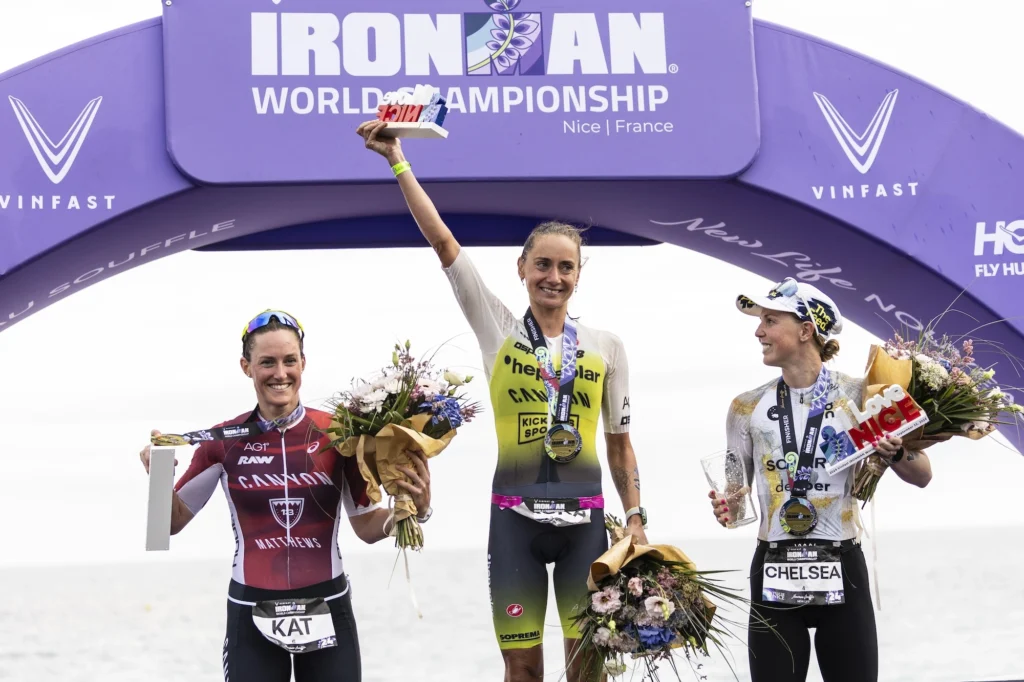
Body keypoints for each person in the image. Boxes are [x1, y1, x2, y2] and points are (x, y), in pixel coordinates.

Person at [356, 119, 647, 682]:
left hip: (584, 524)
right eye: (543, 264)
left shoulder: (607, 348)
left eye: (566, 267)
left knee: (589, 668)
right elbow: (444, 244)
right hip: (512, 522)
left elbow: (620, 447)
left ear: (579, 276)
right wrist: (397, 161)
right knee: (521, 669)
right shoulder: (500, 331)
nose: (553, 277)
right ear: (522, 269)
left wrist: (635, 520)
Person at [137, 309, 433, 682]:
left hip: (327, 606)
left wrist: (411, 512)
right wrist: (159, 477)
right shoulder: (221, 442)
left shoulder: (339, 433)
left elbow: (367, 526)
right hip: (251, 606)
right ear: (247, 367)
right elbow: (170, 524)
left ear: (303, 363)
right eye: (267, 362)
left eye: (289, 360)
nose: (280, 373)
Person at [710, 278, 933, 682]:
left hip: (842, 561)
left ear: (806, 330)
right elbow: (735, 501)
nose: (758, 331)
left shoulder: (863, 392)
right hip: (774, 563)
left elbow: (922, 474)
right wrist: (727, 508)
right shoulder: (744, 407)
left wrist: (898, 452)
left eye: (769, 320)